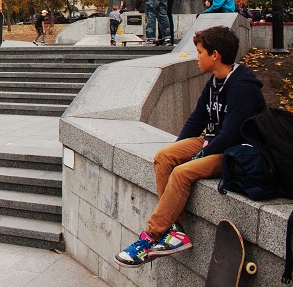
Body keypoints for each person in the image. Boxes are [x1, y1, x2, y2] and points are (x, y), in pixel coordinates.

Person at [114, 26, 266, 267]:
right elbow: (197, 119)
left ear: (214, 55)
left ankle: (150, 237)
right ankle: (174, 229)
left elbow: (230, 135)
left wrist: (198, 155)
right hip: (213, 141)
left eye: (199, 52)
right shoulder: (215, 82)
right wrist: (180, 149)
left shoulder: (242, 87)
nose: (196, 58)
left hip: (235, 151)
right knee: (164, 157)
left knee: (182, 173)